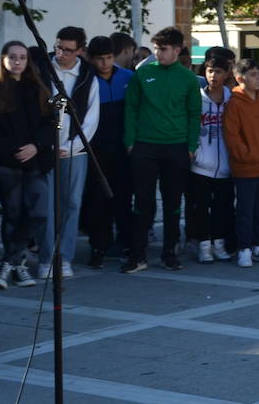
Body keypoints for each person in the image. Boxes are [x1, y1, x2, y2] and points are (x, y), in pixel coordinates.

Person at [123, 27, 201, 273]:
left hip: (176, 148)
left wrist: (190, 146)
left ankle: (170, 253)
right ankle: (138, 255)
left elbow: (193, 114)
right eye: (156, 48)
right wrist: (130, 141)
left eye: (163, 49)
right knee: (142, 202)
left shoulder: (188, 78)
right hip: (145, 146)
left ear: (177, 50)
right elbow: (131, 109)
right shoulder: (142, 73)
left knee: (172, 203)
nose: (158, 53)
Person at [0, 41, 54, 287]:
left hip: (35, 160)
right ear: (3, 59)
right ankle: (17, 264)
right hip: (6, 163)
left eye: (22, 57)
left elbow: (51, 124)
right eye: (13, 57)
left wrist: (37, 146)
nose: (18, 61)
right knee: (13, 214)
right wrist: (13, 152)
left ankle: (7, 262)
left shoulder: (39, 87)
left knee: (39, 211)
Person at [43, 26, 99, 277]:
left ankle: (64, 257)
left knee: (71, 204)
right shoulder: (43, 70)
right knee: (46, 206)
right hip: (44, 150)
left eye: (68, 50)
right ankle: (46, 258)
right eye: (58, 47)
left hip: (74, 153)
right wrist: (47, 145)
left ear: (80, 51)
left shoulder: (88, 76)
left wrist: (70, 147)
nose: (61, 53)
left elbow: (91, 119)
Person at [224, 59, 259, 267]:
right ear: (240, 79)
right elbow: (232, 137)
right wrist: (247, 156)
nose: (258, 78)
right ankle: (244, 248)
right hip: (246, 168)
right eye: (253, 75)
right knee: (245, 211)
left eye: (258, 74)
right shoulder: (234, 104)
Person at [81, 36, 133, 268]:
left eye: (109, 58)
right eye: (100, 59)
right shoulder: (84, 81)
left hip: (123, 149)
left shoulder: (128, 78)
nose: (105, 64)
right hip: (95, 150)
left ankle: (126, 242)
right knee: (96, 200)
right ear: (91, 59)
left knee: (123, 198)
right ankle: (98, 246)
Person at [186, 56, 234, 265]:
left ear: (226, 74)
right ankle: (204, 245)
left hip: (225, 164)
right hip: (200, 165)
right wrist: (193, 150)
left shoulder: (231, 98)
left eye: (218, 72)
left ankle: (219, 243)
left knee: (221, 207)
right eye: (210, 71)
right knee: (201, 207)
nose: (214, 76)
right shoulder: (197, 98)